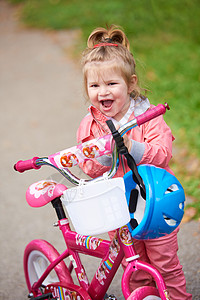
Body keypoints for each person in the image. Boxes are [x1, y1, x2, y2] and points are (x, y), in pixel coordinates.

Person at [76, 25, 192, 300]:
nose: (102, 92)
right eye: (94, 86)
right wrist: (103, 155)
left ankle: (176, 298)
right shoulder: (91, 125)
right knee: (133, 263)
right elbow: (87, 165)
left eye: (111, 84)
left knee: (165, 263)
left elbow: (163, 153)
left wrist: (132, 148)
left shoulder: (148, 116)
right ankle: (145, 295)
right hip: (119, 208)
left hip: (153, 202)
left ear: (130, 83)